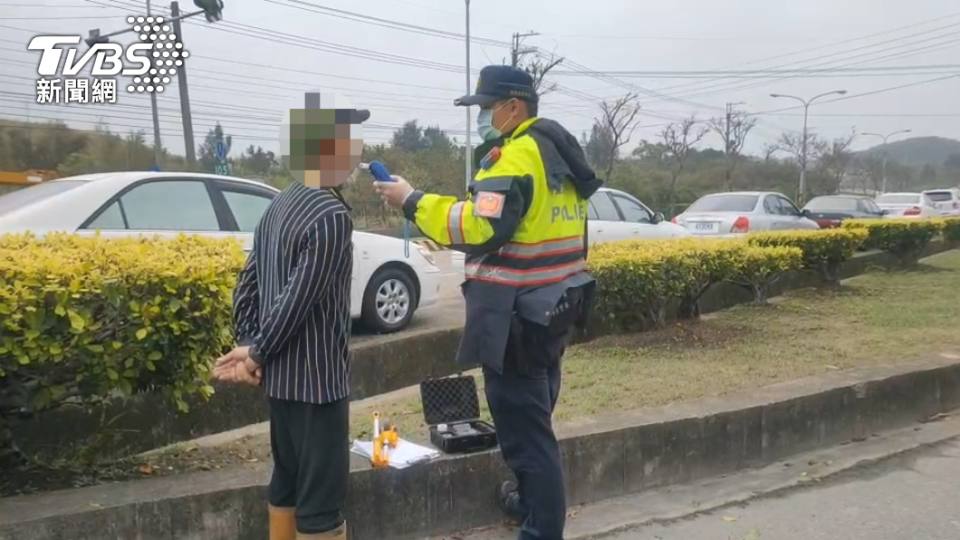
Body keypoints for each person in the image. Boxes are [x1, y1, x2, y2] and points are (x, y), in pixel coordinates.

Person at [374, 65, 602, 540]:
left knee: (528, 439)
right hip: (553, 308)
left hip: (518, 318)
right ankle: (528, 504)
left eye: (485, 108)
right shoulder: (558, 153)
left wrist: (412, 200)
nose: (482, 117)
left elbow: (479, 227)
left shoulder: (516, 157)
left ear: (513, 107)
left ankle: (541, 530)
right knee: (534, 421)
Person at [214, 91, 368, 540]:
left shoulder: (277, 207)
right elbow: (298, 300)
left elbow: (248, 286)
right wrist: (255, 353)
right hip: (318, 383)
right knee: (320, 501)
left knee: (286, 481)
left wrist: (249, 348)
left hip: (280, 383)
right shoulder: (330, 215)